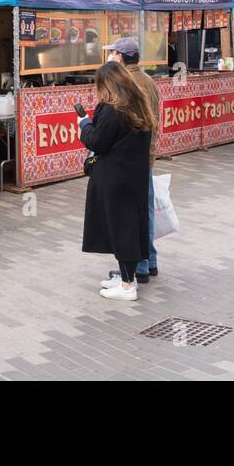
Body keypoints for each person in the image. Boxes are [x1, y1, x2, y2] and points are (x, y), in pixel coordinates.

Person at [80, 61, 156, 302]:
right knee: (127, 227)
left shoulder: (114, 110)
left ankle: (126, 285)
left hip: (116, 177)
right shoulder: (137, 104)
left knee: (121, 230)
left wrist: (84, 125)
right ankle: (126, 276)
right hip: (132, 177)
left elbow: (98, 142)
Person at [101, 37, 160, 285]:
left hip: (129, 157)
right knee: (144, 207)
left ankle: (139, 266)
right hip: (145, 153)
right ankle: (150, 259)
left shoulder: (126, 84)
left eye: (113, 53)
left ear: (121, 56)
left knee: (132, 213)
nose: (111, 57)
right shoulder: (148, 80)